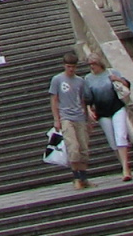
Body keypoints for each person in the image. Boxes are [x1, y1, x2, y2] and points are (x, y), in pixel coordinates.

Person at [83, 55, 133, 181]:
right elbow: (88, 97)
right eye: (90, 65)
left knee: (120, 135)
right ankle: (124, 165)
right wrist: (89, 110)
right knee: (112, 141)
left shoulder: (112, 72)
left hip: (117, 107)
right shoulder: (88, 79)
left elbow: (127, 84)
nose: (92, 67)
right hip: (102, 112)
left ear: (99, 64)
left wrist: (117, 79)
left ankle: (125, 169)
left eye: (93, 64)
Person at [48, 52, 94, 189]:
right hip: (66, 116)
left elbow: (83, 101)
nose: (71, 69)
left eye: (73, 67)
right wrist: (56, 119)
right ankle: (76, 177)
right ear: (64, 66)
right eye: (68, 67)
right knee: (73, 147)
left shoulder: (80, 81)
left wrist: (88, 119)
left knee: (83, 148)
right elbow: (54, 100)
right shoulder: (57, 80)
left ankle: (84, 177)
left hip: (79, 116)